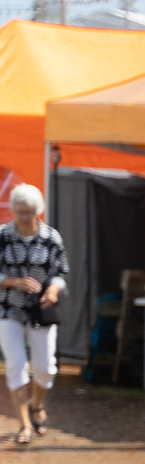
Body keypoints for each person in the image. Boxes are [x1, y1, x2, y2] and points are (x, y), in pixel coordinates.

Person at [0, 184, 67, 447]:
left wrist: (52, 290)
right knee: (16, 364)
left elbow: (61, 273)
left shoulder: (51, 238)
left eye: (29, 212)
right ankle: (24, 424)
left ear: (38, 211)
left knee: (46, 368)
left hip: (42, 310)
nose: (25, 218)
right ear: (13, 210)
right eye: (19, 212)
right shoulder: (2, 236)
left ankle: (36, 404)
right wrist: (13, 282)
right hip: (8, 308)